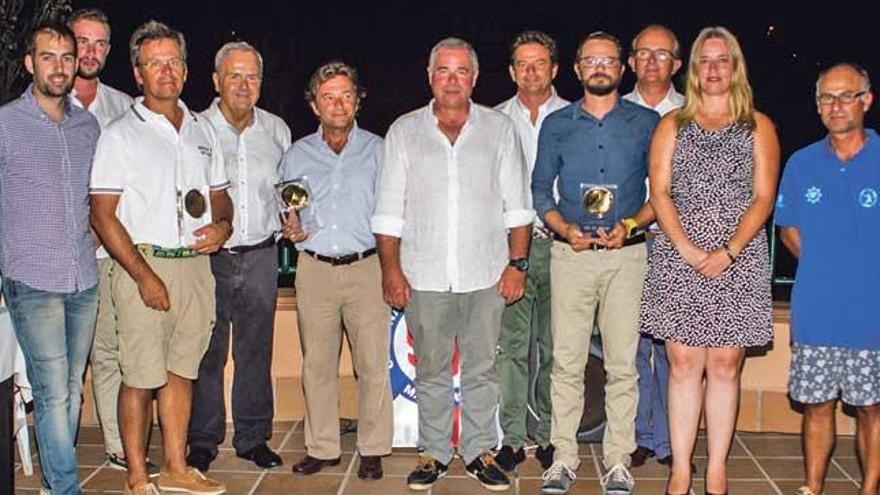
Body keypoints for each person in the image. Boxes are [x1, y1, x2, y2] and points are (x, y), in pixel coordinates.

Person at [372, 37, 533, 492]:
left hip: (486, 272)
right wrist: (391, 269)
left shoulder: (500, 129)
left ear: (475, 78)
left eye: (462, 71)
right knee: (432, 369)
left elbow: (517, 208)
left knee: (482, 368)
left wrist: (517, 264)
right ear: (429, 77)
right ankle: (435, 453)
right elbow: (388, 212)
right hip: (422, 273)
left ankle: (481, 451)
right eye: (443, 70)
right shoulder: (404, 131)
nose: (452, 79)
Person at [90, 20, 232, 495]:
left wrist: (224, 225)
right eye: (155, 63)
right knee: (140, 376)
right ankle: (135, 476)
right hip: (140, 266)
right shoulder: (118, 135)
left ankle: (175, 468)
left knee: (180, 370)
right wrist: (144, 276)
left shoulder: (203, 130)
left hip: (194, 265)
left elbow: (220, 196)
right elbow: (103, 216)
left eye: (173, 62)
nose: (166, 71)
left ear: (186, 70)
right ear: (138, 73)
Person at [639, 26, 779, 495]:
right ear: (694, 69)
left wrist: (729, 251)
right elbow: (659, 193)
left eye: (723, 60)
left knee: (724, 365)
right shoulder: (671, 125)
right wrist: (687, 249)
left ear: (736, 68)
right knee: (681, 364)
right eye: (705, 61)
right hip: (681, 256)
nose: (714, 69)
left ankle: (715, 468)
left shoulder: (758, 125)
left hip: (738, 258)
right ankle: (681, 469)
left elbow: (763, 197)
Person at [532, 31, 659, 495]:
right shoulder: (557, 124)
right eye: (591, 61)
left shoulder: (647, 123)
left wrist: (629, 225)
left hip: (627, 257)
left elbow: (660, 194)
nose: (600, 68)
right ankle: (563, 456)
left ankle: (618, 459)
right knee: (565, 362)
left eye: (609, 60)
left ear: (622, 68)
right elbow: (541, 189)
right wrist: (564, 230)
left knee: (623, 364)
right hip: (570, 255)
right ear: (577, 69)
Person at [0, 21, 99, 495]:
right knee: (52, 390)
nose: (59, 67)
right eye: (48, 57)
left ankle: (53, 483)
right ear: (29, 63)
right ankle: (64, 487)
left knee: (72, 389)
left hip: (82, 276)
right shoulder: (5, 125)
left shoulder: (88, 126)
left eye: (66, 57)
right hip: (31, 278)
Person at [281, 61, 393, 480]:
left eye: (346, 94)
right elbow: (289, 210)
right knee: (318, 364)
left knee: (372, 364)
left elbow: (396, 211)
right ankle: (323, 447)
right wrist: (289, 227)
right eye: (328, 96)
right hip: (315, 269)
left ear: (358, 99)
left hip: (367, 267)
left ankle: (373, 447)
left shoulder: (380, 150)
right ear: (315, 106)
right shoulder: (297, 154)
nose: (338, 103)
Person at [187, 41, 289, 473]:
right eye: (234, 75)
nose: (243, 85)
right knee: (206, 351)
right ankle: (203, 440)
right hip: (210, 257)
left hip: (262, 254)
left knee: (255, 351)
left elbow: (287, 194)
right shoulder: (195, 129)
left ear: (261, 84)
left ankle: (252, 437)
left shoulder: (277, 130)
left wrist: (294, 220)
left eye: (251, 77)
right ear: (216, 81)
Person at [776, 63, 878, 495]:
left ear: (866, 100)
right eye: (826, 98)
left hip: (872, 312)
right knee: (816, 404)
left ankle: (870, 488)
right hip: (816, 307)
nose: (835, 106)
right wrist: (826, 264)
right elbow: (789, 230)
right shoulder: (802, 162)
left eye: (845, 96)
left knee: (872, 408)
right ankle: (812, 486)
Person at [68, 7, 143, 473]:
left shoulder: (124, 107)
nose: (89, 52)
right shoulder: (41, 101)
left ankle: (117, 445)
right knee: (69, 361)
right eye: (82, 41)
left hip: (111, 252)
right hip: (61, 253)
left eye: (99, 44)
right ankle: (62, 449)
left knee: (111, 350)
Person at [493, 30, 569, 474]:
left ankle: (551, 438)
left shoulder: (577, 117)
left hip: (561, 249)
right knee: (512, 350)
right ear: (511, 71)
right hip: (510, 252)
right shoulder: (495, 121)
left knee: (557, 349)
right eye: (522, 63)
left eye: (539, 63)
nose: (531, 71)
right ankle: (513, 439)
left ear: (555, 69)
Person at [622, 23, 684, 468]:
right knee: (630, 345)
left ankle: (671, 441)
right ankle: (639, 436)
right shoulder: (612, 110)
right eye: (643, 53)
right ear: (630, 62)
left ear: (677, 64)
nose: (651, 61)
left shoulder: (694, 110)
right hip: (628, 240)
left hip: (676, 243)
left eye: (662, 54)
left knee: (674, 349)